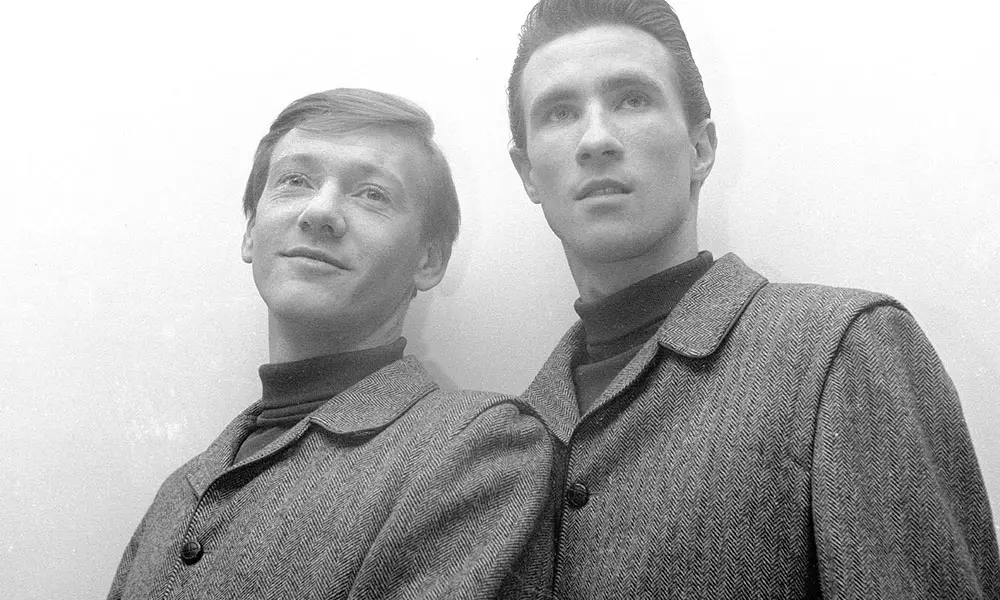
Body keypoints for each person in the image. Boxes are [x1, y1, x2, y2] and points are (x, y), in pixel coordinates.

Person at [505, 0, 1000, 597]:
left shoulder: (841, 350)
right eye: (559, 112)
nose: (596, 139)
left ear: (701, 149)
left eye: (632, 99)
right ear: (527, 173)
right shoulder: (512, 433)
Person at [107, 88, 551, 600]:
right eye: (295, 181)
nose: (320, 212)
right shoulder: (178, 494)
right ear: (251, 232)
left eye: (372, 194)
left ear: (429, 260)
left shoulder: (478, 449)